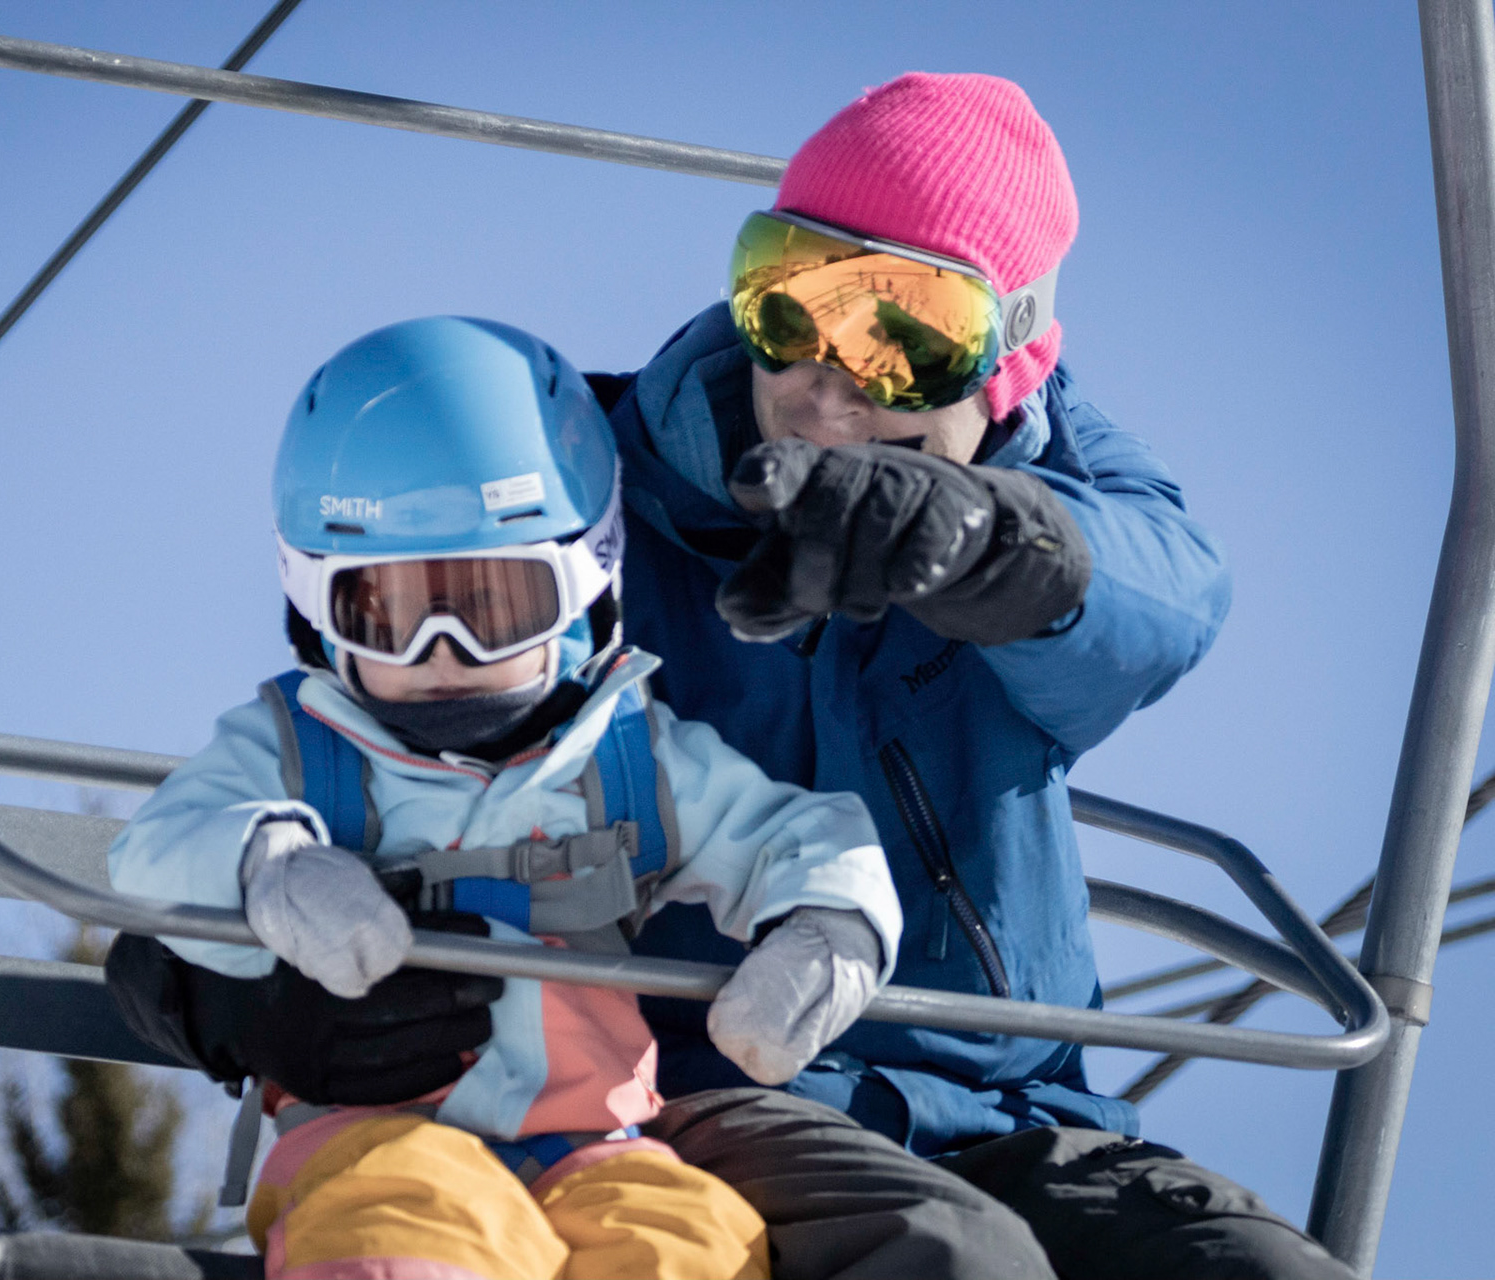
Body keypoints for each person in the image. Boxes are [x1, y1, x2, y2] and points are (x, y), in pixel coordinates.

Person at [111, 73, 1358, 1280]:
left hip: (1025, 1102)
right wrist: (223, 990)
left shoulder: (1063, 507)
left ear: (1012, 362)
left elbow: (1165, 602)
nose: (824, 383)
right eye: (788, 300)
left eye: (905, 336)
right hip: (705, 1093)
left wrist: (992, 547)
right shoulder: (591, 490)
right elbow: (358, 727)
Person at [106, 316, 905, 1280]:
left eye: (493, 608)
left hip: (602, 1143)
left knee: (693, 1238)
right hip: (379, 1133)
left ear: (587, 580)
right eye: (390, 613)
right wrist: (270, 865)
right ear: (314, 607)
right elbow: (158, 849)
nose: (442, 654)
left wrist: (827, 931)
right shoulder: (296, 747)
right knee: (404, 1228)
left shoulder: (627, 759)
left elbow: (796, 834)